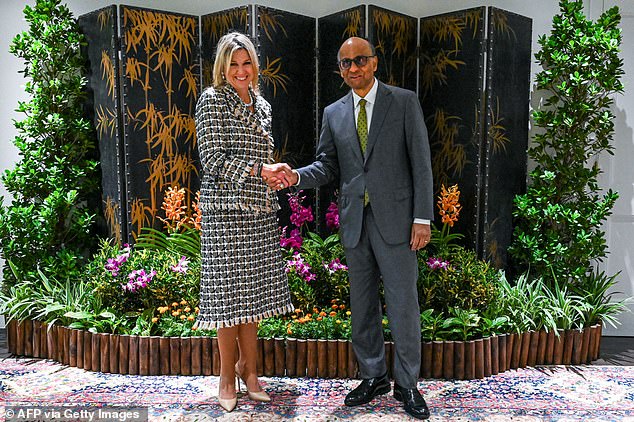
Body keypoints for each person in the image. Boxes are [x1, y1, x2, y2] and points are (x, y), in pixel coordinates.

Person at [271, 37, 433, 420]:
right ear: (340, 70)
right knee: (362, 307)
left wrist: (422, 219)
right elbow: (327, 166)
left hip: (398, 223)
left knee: (403, 306)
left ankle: (407, 384)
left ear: (374, 63)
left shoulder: (404, 102)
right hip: (354, 224)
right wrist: (294, 176)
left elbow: (421, 163)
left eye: (360, 60)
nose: (353, 68)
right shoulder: (334, 113)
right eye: (345, 63)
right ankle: (374, 375)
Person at [193, 32, 294, 413]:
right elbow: (212, 160)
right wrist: (259, 169)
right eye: (233, 64)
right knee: (226, 300)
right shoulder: (212, 100)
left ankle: (249, 372)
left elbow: (262, 157)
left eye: (246, 62)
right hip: (225, 211)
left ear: (255, 66)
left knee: (252, 298)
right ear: (222, 67)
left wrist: (276, 173)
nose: (240, 70)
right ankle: (225, 376)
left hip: (259, 211)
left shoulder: (263, 106)